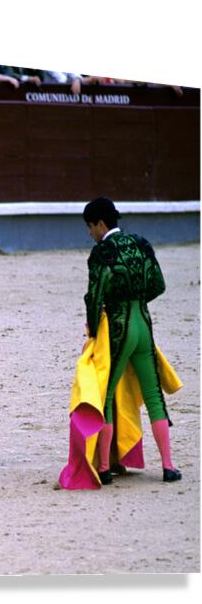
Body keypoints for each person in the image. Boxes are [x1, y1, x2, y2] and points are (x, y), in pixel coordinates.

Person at [82, 197, 181, 484]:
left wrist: (94, 330)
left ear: (101, 224)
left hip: (118, 328)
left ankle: (103, 466)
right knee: (153, 396)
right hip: (143, 323)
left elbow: (95, 298)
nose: (90, 233)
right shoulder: (141, 243)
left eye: (90, 227)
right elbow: (158, 284)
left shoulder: (101, 253)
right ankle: (168, 466)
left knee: (107, 396)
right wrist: (136, 301)